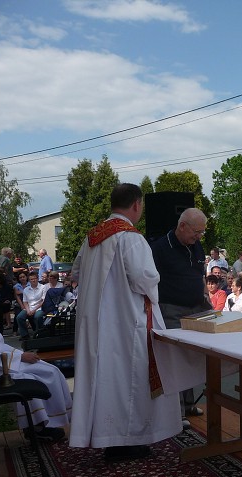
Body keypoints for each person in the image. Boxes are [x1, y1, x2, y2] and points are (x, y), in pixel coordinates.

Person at [70, 183, 181, 461]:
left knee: (106, 379)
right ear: (136, 205)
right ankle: (127, 441)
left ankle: (107, 437)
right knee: (129, 379)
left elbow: (76, 272)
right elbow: (145, 278)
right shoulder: (130, 237)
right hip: (126, 321)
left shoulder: (92, 237)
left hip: (98, 323)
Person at [151, 208, 210, 422]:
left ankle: (189, 404)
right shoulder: (159, 248)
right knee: (176, 359)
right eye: (196, 232)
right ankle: (177, 412)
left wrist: (206, 297)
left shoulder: (196, 245)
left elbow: (199, 275)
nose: (199, 237)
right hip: (171, 309)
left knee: (196, 356)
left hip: (198, 308)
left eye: (202, 233)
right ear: (182, 226)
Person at [0, 325, 71, 442]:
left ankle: (53, 420)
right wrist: (20, 356)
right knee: (29, 379)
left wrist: (20, 355)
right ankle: (37, 427)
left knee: (51, 371)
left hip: (2, 362)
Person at [16, 272, 46, 340]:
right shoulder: (26, 289)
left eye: (35, 278)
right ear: (29, 280)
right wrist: (28, 310)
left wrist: (34, 310)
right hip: (29, 307)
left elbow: (43, 301)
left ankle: (38, 333)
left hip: (39, 308)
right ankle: (25, 335)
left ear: (37, 278)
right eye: (31, 279)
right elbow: (25, 301)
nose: (33, 280)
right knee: (19, 317)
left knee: (37, 317)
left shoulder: (43, 287)